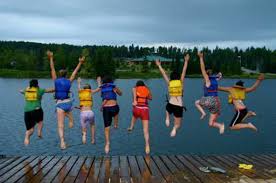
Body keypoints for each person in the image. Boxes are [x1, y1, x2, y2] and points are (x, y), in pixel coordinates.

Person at [47, 50, 85, 149]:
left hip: (60, 104)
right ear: (66, 75)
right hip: (68, 103)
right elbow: (75, 73)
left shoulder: (56, 80)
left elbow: (52, 69)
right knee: (68, 111)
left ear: (59, 75)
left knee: (60, 125)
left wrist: (51, 58)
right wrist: (80, 63)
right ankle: (71, 119)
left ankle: (62, 142)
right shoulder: (69, 81)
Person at [155, 54, 189, 137]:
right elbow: (184, 71)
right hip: (178, 105)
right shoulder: (180, 82)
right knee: (178, 124)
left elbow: (163, 74)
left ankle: (167, 118)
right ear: (178, 77)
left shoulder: (170, 83)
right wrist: (186, 61)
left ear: (172, 77)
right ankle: (174, 129)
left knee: (167, 110)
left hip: (170, 104)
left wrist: (159, 65)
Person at [195, 52, 225, 134]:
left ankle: (203, 113)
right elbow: (220, 77)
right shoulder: (215, 79)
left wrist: (201, 58)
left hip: (210, 100)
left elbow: (202, 69)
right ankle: (220, 126)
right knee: (211, 123)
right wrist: (220, 75)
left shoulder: (207, 80)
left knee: (196, 102)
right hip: (217, 102)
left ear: (206, 76)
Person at [20, 79, 54, 145]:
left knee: (30, 130)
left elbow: (20, 91)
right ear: (37, 84)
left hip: (27, 112)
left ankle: (27, 137)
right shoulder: (39, 90)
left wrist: (24, 89)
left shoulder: (26, 91)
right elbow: (50, 90)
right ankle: (39, 133)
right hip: (36, 110)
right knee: (40, 122)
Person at [97, 76, 122, 154]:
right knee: (116, 111)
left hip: (106, 109)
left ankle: (107, 143)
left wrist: (98, 82)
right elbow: (121, 94)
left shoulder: (103, 88)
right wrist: (116, 90)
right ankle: (115, 124)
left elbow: (102, 96)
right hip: (114, 107)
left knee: (106, 128)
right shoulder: (114, 87)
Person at [127, 80, 152, 154]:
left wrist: (134, 100)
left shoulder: (135, 88)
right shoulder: (146, 89)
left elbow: (134, 95)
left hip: (137, 108)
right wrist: (148, 89)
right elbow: (150, 98)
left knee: (134, 116)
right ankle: (147, 145)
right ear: (143, 85)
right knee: (145, 130)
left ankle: (131, 126)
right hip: (145, 110)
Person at [77, 77, 100, 144]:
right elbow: (99, 89)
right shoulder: (90, 92)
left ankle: (84, 135)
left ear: (84, 89)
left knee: (83, 126)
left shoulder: (80, 92)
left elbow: (79, 87)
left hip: (83, 113)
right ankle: (93, 140)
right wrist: (98, 81)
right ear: (89, 89)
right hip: (90, 113)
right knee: (92, 125)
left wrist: (79, 82)